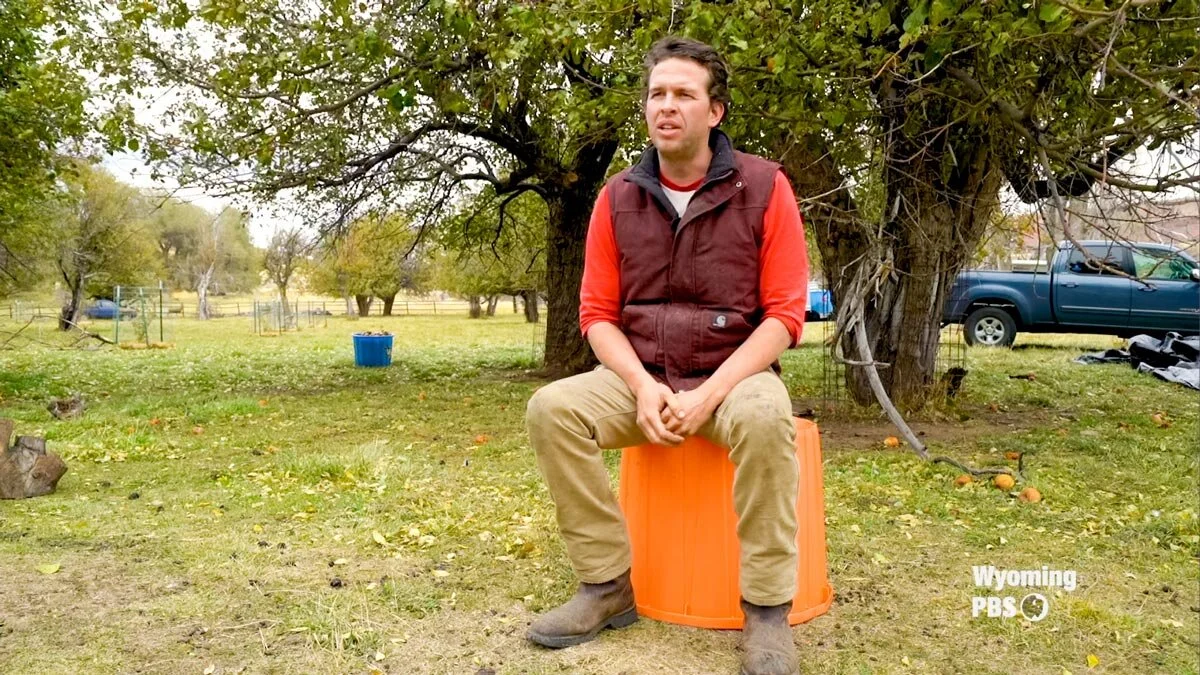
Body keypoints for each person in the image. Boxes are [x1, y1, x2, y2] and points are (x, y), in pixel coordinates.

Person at [524, 36, 810, 675]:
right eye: (658, 94)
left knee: (767, 417)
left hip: (734, 376)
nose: (667, 106)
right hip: (639, 377)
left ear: (716, 111)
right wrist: (642, 386)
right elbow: (596, 316)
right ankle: (607, 585)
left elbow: (785, 317)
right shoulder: (616, 197)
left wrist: (709, 394)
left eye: (684, 94)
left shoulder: (766, 187)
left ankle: (766, 611)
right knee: (551, 408)